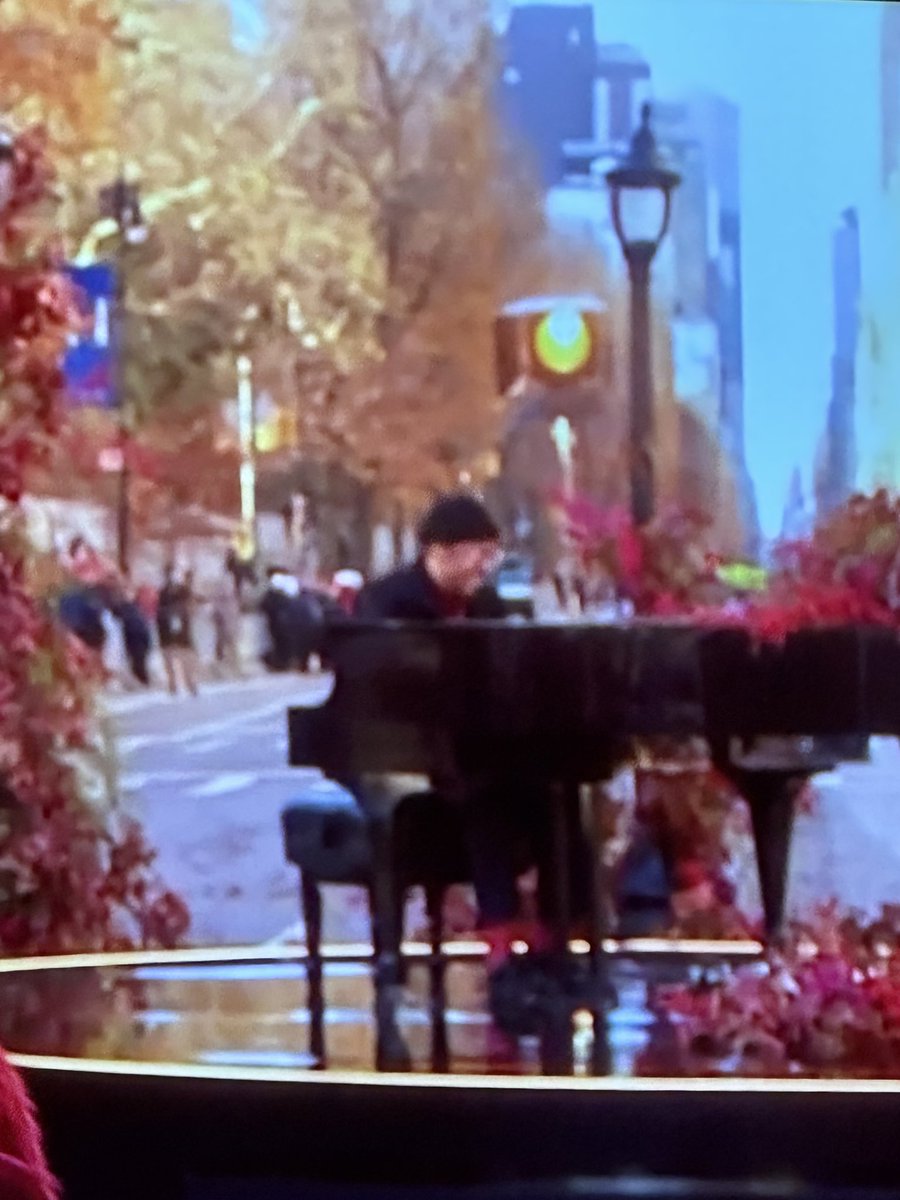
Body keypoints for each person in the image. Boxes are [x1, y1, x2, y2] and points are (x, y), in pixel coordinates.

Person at [354, 493, 590, 986]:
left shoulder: (486, 603)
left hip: (471, 744)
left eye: (491, 553)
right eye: (479, 552)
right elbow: (385, 691)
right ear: (440, 550)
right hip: (400, 755)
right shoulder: (386, 603)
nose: (488, 564)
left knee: (558, 790)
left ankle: (562, 930)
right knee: (486, 788)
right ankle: (499, 936)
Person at [156, 566, 199, 696]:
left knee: (173, 654)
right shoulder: (180, 592)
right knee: (183, 653)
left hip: (168, 627)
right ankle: (186, 683)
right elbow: (191, 607)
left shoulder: (164, 592)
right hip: (177, 627)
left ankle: (176, 684)